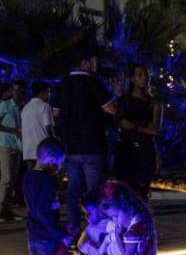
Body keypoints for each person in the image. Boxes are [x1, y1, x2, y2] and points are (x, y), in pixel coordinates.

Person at [53, 49, 112, 225]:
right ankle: (95, 229)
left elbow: (55, 113)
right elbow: (111, 108)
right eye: (93, 61)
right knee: (94, 193)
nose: (95, 65)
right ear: (84, 63)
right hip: (93, 145)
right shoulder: (94, 83)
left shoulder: (62, 84)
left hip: (71, 147)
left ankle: (73, 228)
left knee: (74, 192)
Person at [111, 64, 161, 198]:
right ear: (133, 79)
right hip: (126, 149)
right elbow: (121, 123)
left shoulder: (153, 103)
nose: (144, 78)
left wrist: (134, 126)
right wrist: (143, 125)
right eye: (140, 75)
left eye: (146, 75)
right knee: (124, 192)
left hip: (145, 150)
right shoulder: (125, 101)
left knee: (141, 192)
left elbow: (154, 129)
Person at [0, 81, 26, 221]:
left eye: (20, 91)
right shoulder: (5, 105)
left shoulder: (23, 106)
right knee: (6, 177)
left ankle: (7, 209)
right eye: (15, 90)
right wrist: (12, 131)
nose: (17, 93)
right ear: (12, 91)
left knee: (12, 179)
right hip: (5, 144)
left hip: (17, 145)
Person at [20, 81, 55, 171]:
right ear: (41, 93)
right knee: (44, 175)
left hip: (28, 151)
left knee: (32, 176)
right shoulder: (45, 106)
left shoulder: (25, 108)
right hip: (43, 150)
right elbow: (48, 127)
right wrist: (54, 143)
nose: (50, 95)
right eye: (48, 92)